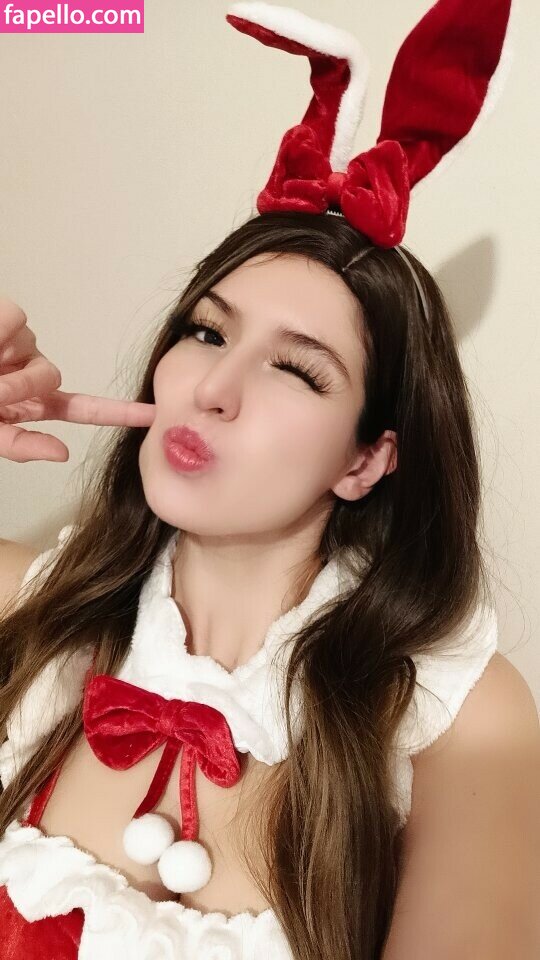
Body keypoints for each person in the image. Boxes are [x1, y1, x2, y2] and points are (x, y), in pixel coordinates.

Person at [0, 3, 538, 960]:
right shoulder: (28, 612)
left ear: (366, 459)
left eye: (295, 369)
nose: (213, 387)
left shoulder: (458, 724)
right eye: (207, 331)